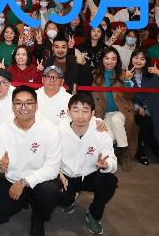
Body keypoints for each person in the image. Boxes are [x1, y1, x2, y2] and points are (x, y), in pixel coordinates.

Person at [0, 85, 62, 236]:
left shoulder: (50, 130)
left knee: (49, 192)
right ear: (13, 106)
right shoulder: (3, 129)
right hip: (13, 180)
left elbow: (52, 168)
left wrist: (24, 182)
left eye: (29, 103)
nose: (23, 107)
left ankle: (38, 218)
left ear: (36, 106)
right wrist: (0, 164)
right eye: (18, 103)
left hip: (40, 181)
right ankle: (24, 200)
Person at [58, 93, 118, 236]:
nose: (80, 116)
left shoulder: (101, 132)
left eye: (85, 111)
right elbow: (49, 157)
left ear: (93, 113)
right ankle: (69, 198)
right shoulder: (59, 131)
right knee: (54, 193)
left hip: (90, 174)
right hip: (66, 176)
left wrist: (106, 164)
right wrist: (58, 172)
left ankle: (94, 215)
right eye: (76, 110)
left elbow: (113, 161)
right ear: (68, 112)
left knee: (109, 181)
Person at [91, 47, 135, 171]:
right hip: (104, 113)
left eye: (113, 59)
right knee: (108, 137)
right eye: (107, 58)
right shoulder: (94, 74)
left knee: (116, 120)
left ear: (117, 60)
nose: (110, 62)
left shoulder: (123, 73)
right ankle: (109, 160)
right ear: (102, 59)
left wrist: (127, 81)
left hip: (121, 111)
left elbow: (130, 96)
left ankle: (124, 151)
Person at [129, 48, 159, 164]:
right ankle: (141, 152)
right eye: (136, 58)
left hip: (154, 109)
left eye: (142, 59)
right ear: (131, 59)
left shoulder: (153, 74)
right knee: (144, 122)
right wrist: (136, 107)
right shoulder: (126, 74)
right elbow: (124, 97)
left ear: (146, 61)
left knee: (155, 127)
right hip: (134, 109)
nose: (138, 61)